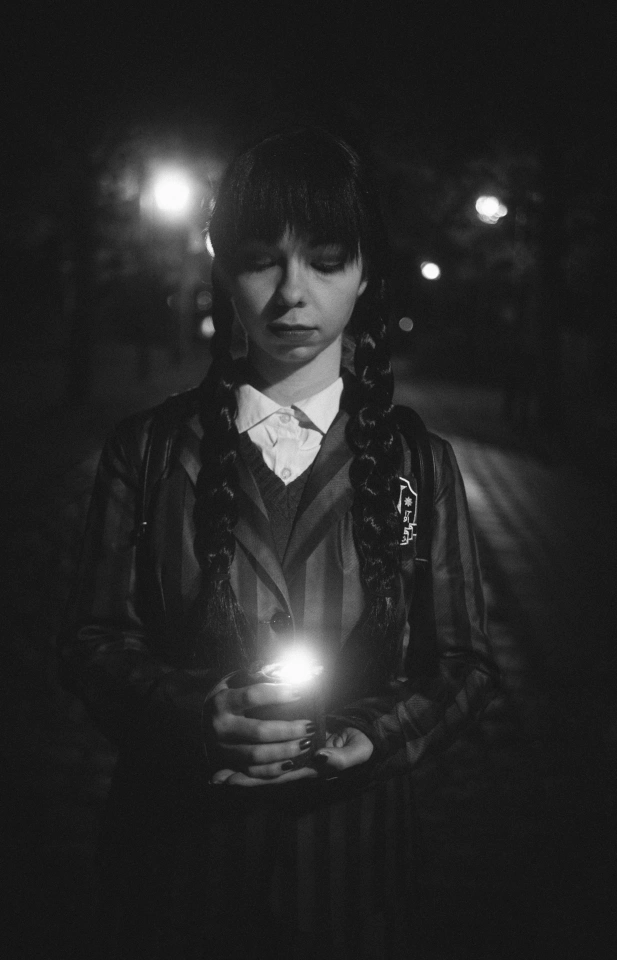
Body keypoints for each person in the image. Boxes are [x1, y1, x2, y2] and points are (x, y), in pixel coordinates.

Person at [59, 126, 500, 960]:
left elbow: (466, 665)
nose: (293, 293)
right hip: (175, 870)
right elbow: (89, 640)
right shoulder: (150, 451)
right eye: (264, 259)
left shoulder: (418, 464)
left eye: (326, 259)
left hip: (351, 873)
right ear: (222, 267)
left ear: (367, 272)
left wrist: (374, 735)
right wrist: (197, 713)